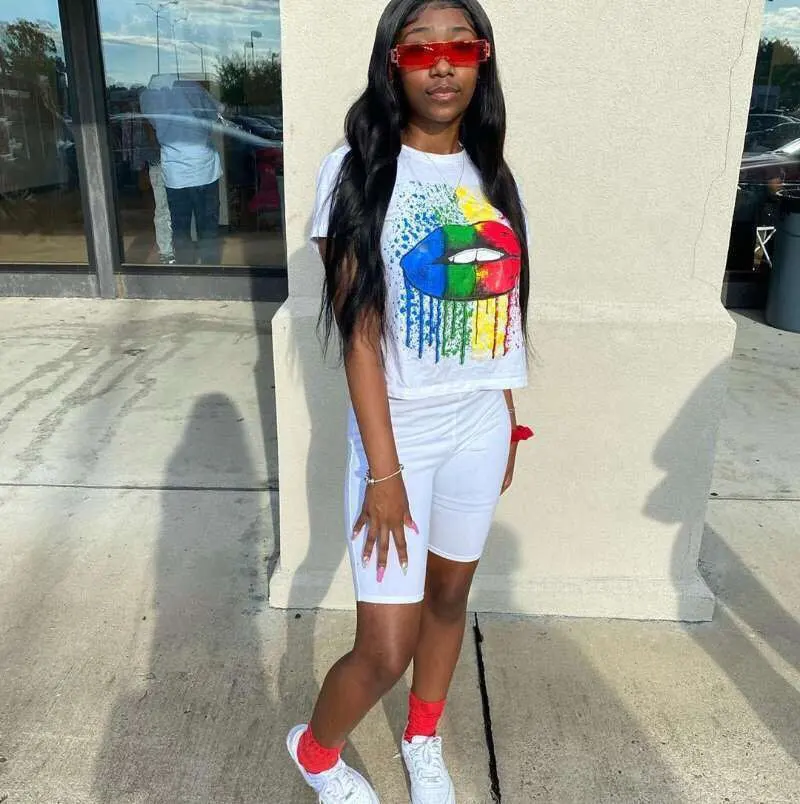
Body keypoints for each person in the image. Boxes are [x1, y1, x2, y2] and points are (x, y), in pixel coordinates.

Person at [287, 1, 532, 802]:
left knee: (451, 595)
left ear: (482, 59)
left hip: (479, 422)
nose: (442, 63)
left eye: (460, 46)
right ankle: (316, 752)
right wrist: (384, 475)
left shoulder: (492, 175)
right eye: (420, 49)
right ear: (392, 65)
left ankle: (422, 739)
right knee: (385, 647)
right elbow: (360, 337)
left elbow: (495, 311)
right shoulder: (355, 171)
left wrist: (505, 418)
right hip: (399, 434)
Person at [140, 79, 223, 265]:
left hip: (175, 174)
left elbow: (152, 125)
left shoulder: (150, 96)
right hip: (205, 169)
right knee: (208, 229)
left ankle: (186, 270)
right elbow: (216, 114)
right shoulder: (194, 89)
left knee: (180, 229)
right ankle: (211, 270)